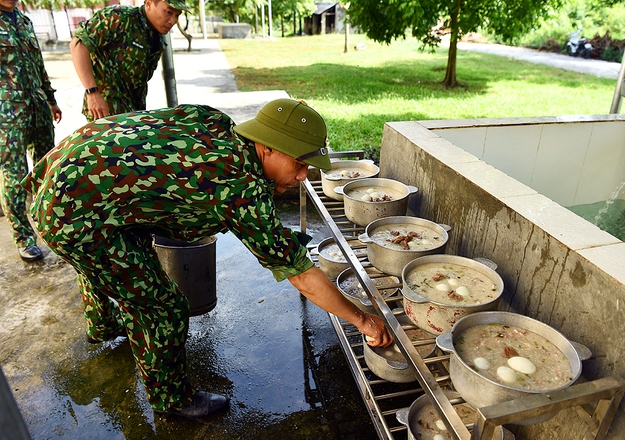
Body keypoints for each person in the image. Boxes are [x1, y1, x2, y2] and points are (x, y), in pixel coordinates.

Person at [22, 98, 394, 419]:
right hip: (74, 214)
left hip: (67, 173)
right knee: (162, 306)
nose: (301, 176)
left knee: (116, 256)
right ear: (266, 147)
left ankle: (102, 323)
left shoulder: (218, 124)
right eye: (298, 165)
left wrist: (276, 237)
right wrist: (362, 320)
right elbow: (301, 276)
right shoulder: (239, 186)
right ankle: (170, 398)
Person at [0, 0, 62, 262]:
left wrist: (50, 99)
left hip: (37, 106)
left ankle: (50, 228)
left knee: (47, 169)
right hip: (7, 112)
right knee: (14, 176)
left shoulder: (24, 20)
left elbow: (38, 63)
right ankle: (24, 238)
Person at [69, 0, 188, 121]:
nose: (173, 21)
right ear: (149, 3)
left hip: (133, 114)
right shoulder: (119, 17)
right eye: (168, 12)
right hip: (106, 113)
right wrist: (92, 93)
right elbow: (78, 44)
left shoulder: (156, 37)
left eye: (177, 15)